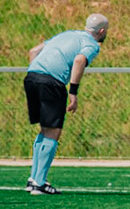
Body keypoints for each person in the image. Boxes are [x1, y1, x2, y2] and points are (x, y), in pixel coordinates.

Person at [24, 13, 110, 195]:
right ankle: (39, 183)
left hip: (31, 76)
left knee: (45, 129)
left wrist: (36, 75)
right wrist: (73, 92)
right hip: (51, 81)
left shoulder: (67, 34)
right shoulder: (92, 45)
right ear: (102, 31)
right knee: (53, 131)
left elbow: (33, 51)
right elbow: (79, 60)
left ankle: (34, 179)